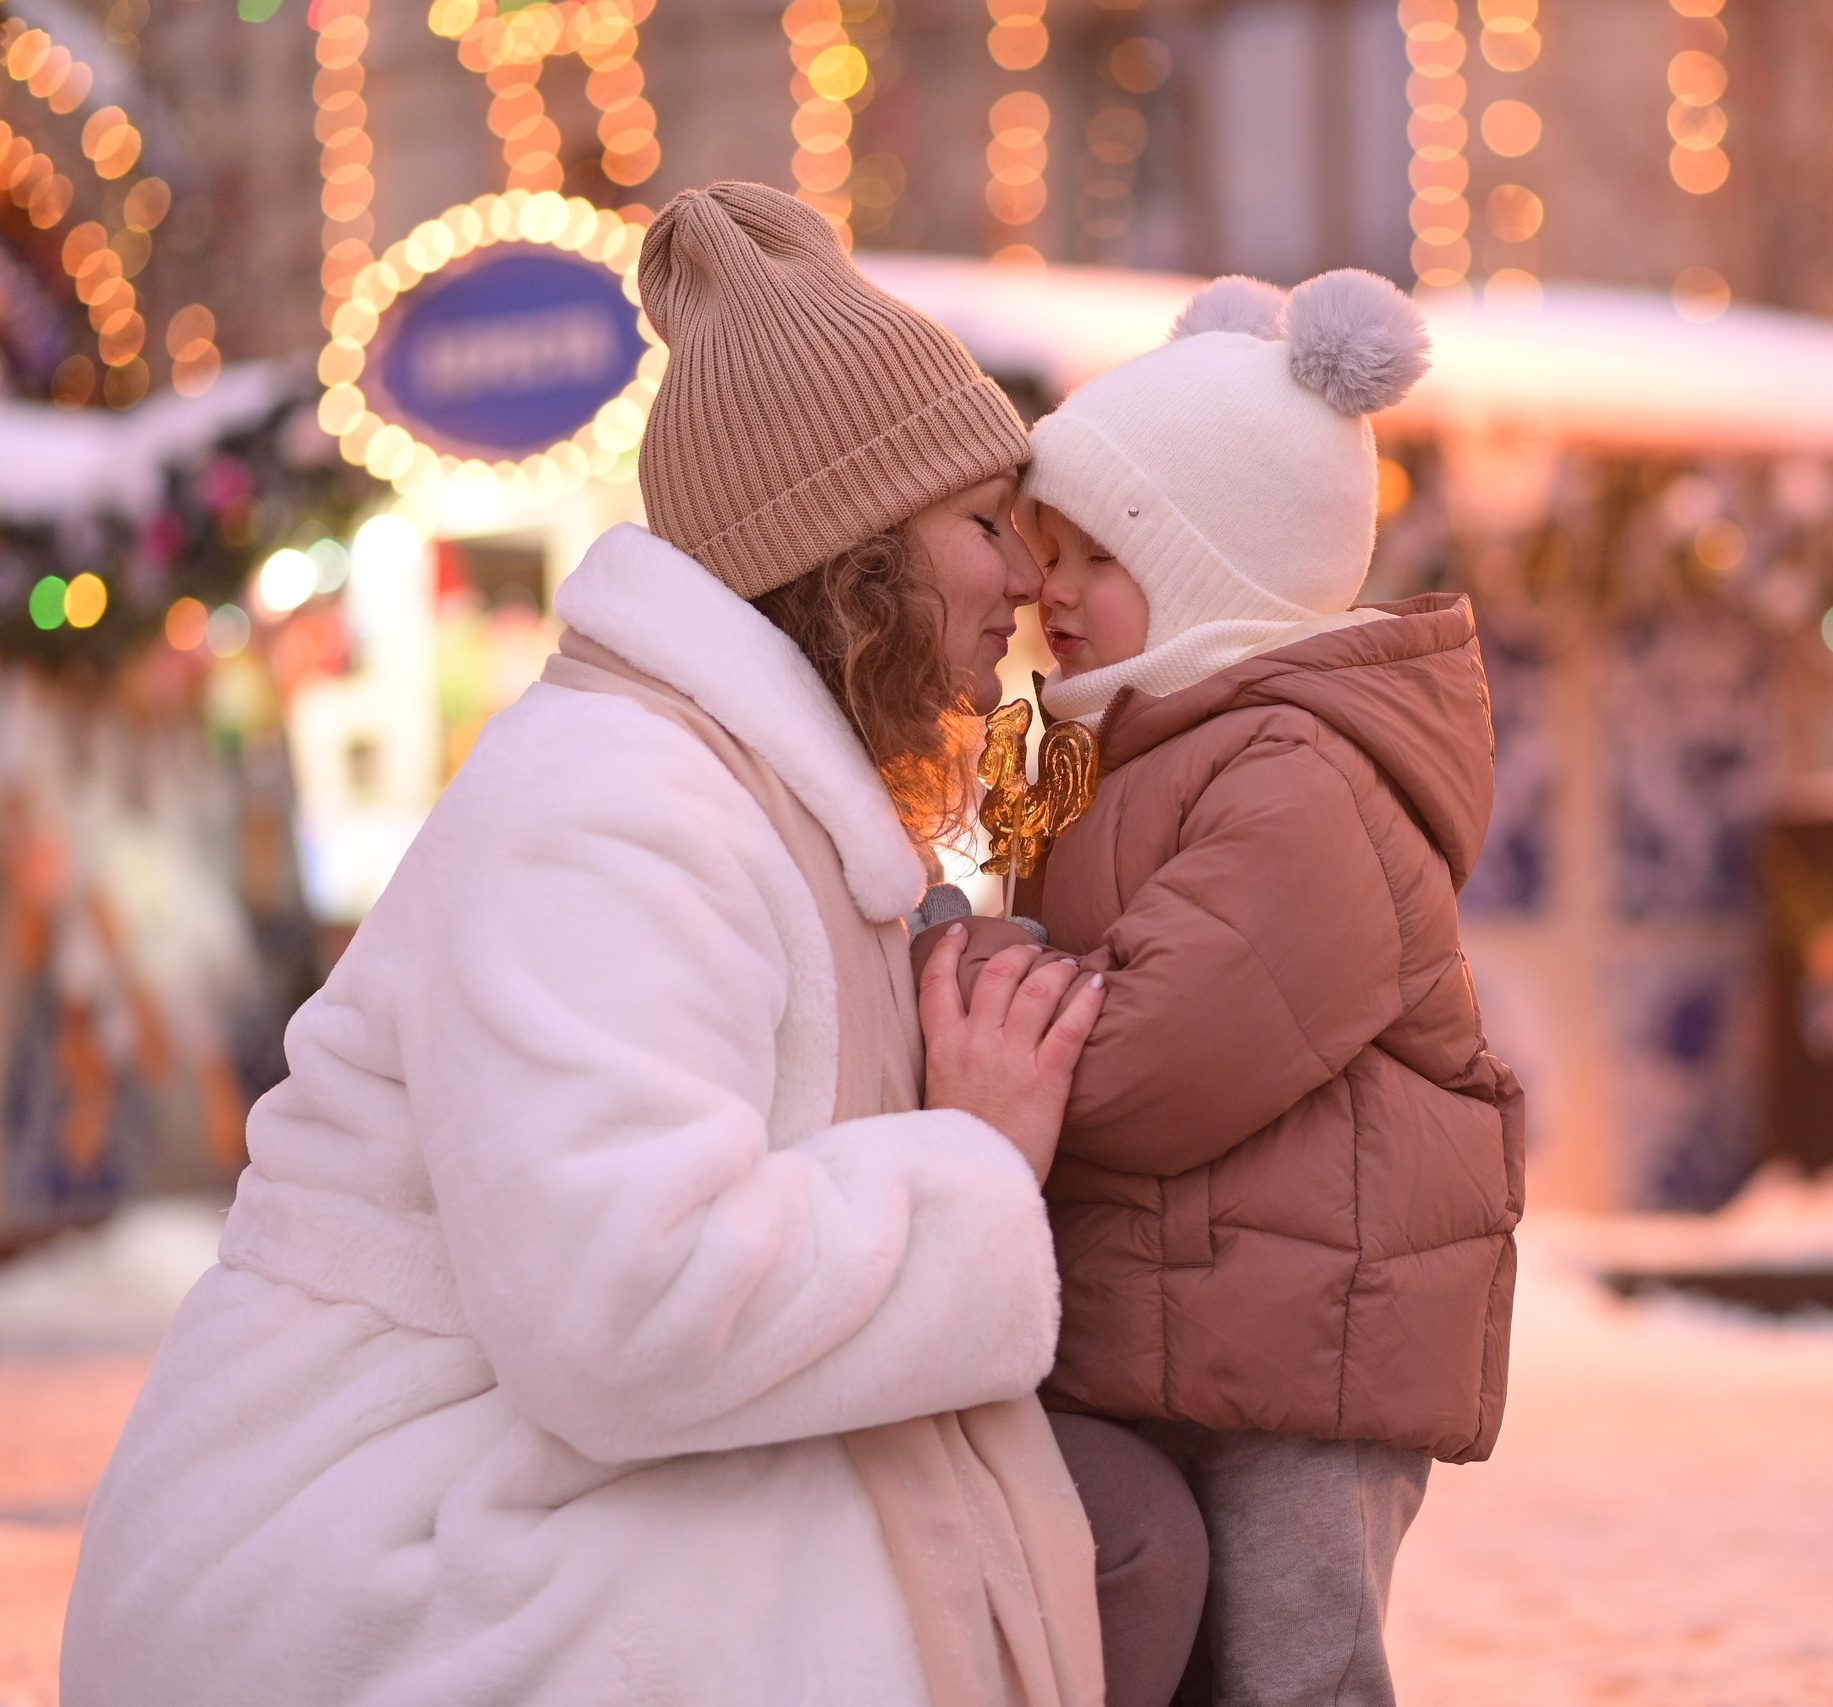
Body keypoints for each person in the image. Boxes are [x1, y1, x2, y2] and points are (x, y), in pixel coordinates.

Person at [61, 182, 1202, 1707]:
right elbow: (627, 1310)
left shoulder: (751, 805)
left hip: (500, 1470)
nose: (1022, 580)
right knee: (1078, 1552)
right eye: (984, 523)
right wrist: (970, 1162)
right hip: (355, 1547)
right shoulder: (611, 811)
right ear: (848, 552)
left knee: (1116, 1528)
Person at [931, 270, 1525, 1707]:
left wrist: (960, 961)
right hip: (1201, 1322)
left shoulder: (1303, 775)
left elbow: (1138, 1059)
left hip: (1311, 1346)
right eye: (1042, 547)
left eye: (1100, 559)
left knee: (1295, 1673)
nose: (1046, 594)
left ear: (1215, 569)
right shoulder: (1123, 754)